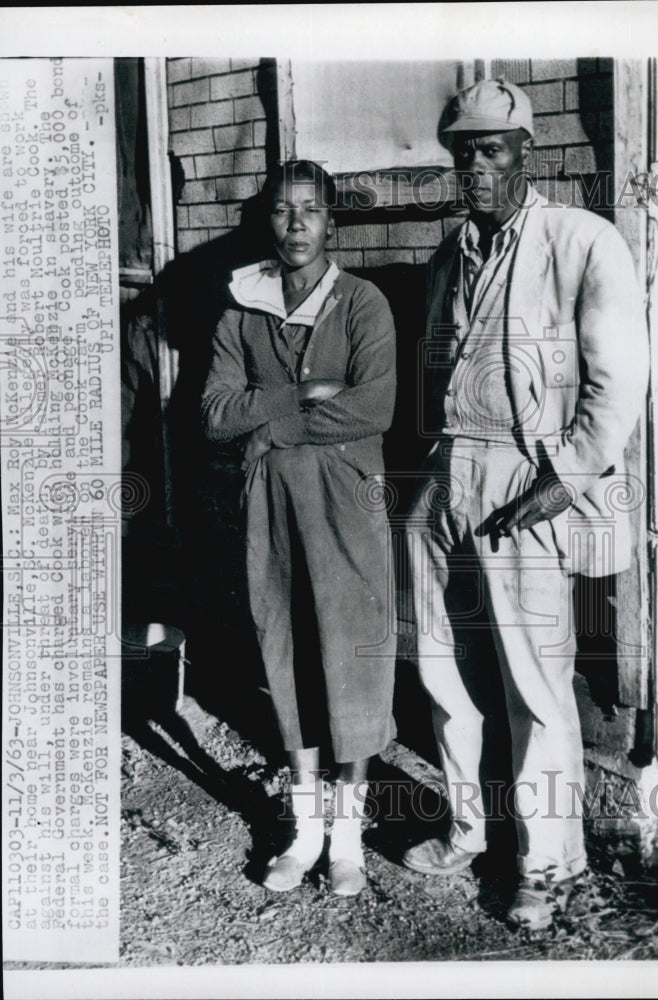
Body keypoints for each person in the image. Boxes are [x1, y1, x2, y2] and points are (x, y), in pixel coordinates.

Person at [403, 79, 649, 929]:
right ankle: (471, 828)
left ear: (524, 152)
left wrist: (567, 476)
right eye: (462, 151)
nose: (474, 165)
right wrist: (431, 477)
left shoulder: (583, 241)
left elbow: (619, 384)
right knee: (445, 665)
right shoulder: (448, 256)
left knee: (536, 680)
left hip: (528, 481)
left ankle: (551, 864)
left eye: (491, 149)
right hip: (448, 473)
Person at [201, 160, 397, 897]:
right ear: (268, 221)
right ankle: (304, 830)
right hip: (273, 511)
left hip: (349, 506)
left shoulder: (364, 304)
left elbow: (373, 408)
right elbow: (216, 415)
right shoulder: (239, 312)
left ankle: (347, 838)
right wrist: (298, 391)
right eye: (282, 212)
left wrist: (271, 425)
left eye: (310, 211)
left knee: (350, 659)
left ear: (331, 222)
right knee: (285, 653)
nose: (295, 225)